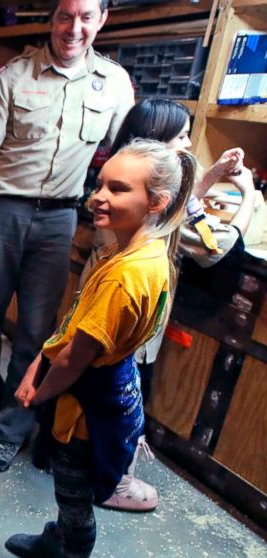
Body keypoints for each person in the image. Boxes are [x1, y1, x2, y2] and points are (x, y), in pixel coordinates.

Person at [0, 0, 135, 473]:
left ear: (101, 20)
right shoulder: (12, 78)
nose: (73, 28)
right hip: (2, 212)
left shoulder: (115, 84)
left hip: (60, 219)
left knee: (38, 332)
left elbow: (129, 154)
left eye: (85, 17)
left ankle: (11, 429)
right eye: (65, 15)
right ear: (51, 19)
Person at [7, 139, 197, 558]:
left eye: (118, 188)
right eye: (100, 184)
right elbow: (74, 328)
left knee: (74, 497)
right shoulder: (140, 252)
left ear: (157, 202)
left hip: (86, 412)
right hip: (110, 391)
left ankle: (69, 548)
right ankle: (55, 537)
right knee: (70, 493)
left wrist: (39, 391)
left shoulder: (125, 276)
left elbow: (76, 356)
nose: (98, 197)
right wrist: (39, 360)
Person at [73, 98, 258, 512]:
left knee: (87, 384)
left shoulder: (121, 181)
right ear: (156, 145)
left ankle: (75, 462)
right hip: (131, 321)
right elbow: (216, 246)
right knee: (122, 399)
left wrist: (205, 176)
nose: (189, 143)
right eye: (180, 137)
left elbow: (178, 210)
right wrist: (248, 196)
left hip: (99, 306)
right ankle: (113, 481)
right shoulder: (156, 203)